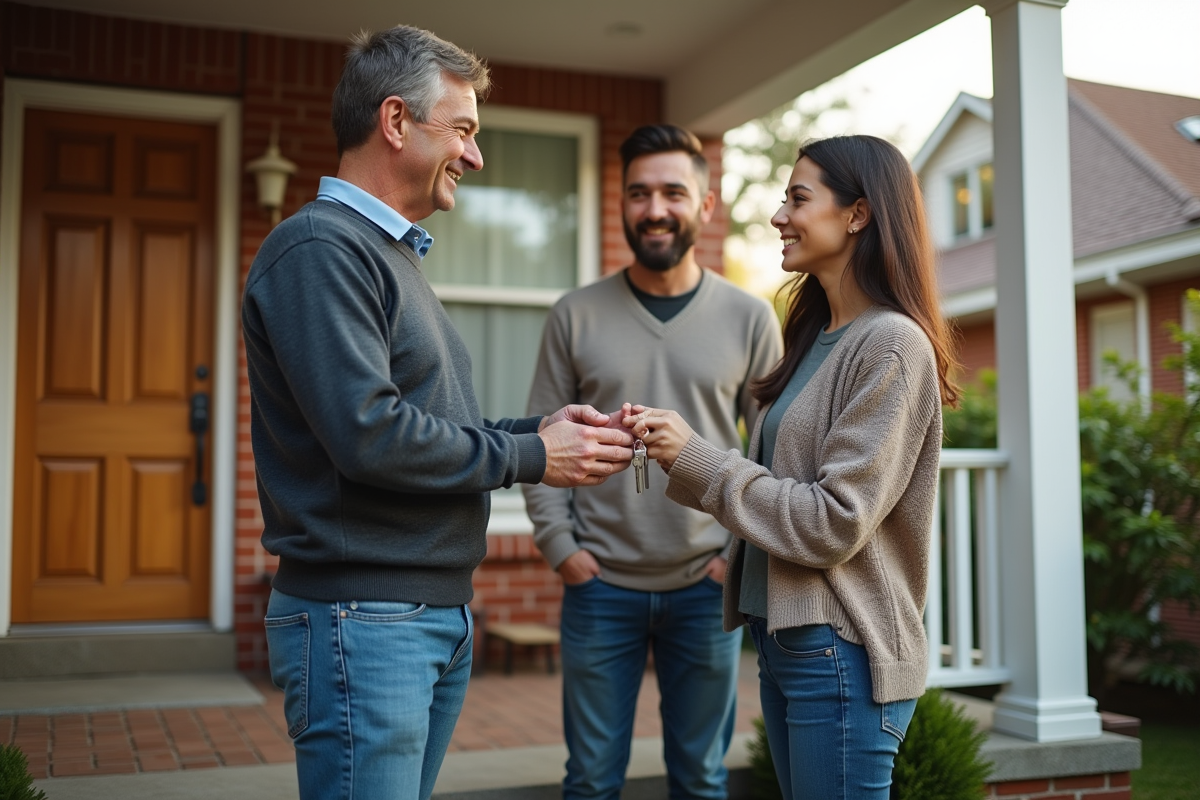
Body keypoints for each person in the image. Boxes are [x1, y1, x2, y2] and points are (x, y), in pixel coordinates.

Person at [241, 26, 635, 800]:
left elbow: (421, 424)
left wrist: (547, 431)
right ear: (395, 122)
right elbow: (370, 435)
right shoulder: (320, 250)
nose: (476, 155)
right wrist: (533, 458)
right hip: (364, 618)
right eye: (463, 130)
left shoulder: (390, 257)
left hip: (419, 614)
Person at [626, 135, 959, 800]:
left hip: (841, 647)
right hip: (786, 643)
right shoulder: (813, 336)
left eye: (798, 199)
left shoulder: (891, 345)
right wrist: (672, 448)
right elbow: (777, 483)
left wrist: (696, 456)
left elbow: (834, 522)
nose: (779, 217)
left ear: (858, 214)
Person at [522, 124, 783, 800]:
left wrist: (735, 553)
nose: (655, 208)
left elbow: (771, 452)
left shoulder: (751, 319)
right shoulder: (574, 315)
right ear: (622, 204)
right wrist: (561, 548)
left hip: (705, 586)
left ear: (706, 203)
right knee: (589, 781)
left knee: (699, 780)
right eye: (639, 193)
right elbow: (541, 438)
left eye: (673, 191)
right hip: (598, 585)